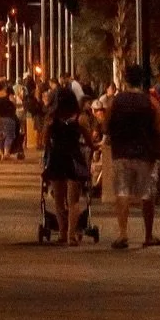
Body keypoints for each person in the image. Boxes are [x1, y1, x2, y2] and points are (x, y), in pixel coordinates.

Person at [106, 64, 160, 249]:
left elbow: (106, 125)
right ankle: (148, 235)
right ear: (141, 80)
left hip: (121, 152)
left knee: (122, 192)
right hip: (145, 154)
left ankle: (123, 233)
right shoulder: (151, 102)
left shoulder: (115, 101)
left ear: (125, 80)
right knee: (147, 195)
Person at [43, 84, 92, 245]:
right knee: (74, 200)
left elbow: (45, 141)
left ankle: (62, 233)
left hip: (57, 157)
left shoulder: (51, 119)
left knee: (58, 199)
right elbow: (89, 141)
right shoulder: (79, 119)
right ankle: (72, 235)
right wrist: (93, 147)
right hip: (74, 158)